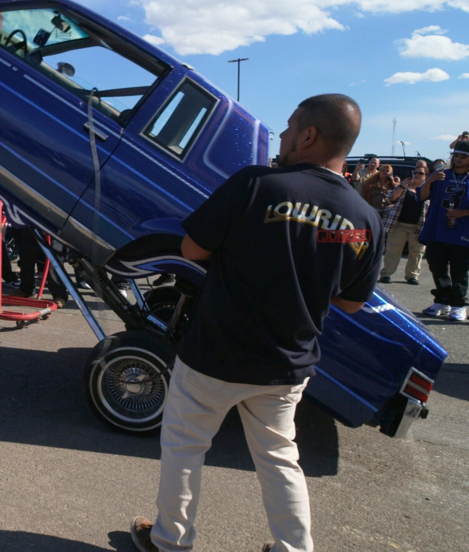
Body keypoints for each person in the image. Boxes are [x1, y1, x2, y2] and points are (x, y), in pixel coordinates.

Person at [131, 94, 381, 552]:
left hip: (215, 354)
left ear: (309, 135)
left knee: (185, 447)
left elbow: (190, 250)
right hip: (287, 363)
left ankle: (170, 543)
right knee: (280, 457)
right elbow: (350, 304)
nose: (281, 136)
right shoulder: (365, 218)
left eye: (288, 127)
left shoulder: (255, 184)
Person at [418, 140, 469, 321]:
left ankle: (458, 304)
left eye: (462, 156)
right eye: (455, 155)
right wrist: (429, 180)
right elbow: (421, 196)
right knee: (437, 267)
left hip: (461, 231)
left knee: (459, 270)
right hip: (436, 228)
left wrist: (462, 212)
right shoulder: (440, 175)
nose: (457, 159)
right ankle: (442, 300)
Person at [378, 164, 429, 285]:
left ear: (426, 176)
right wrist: (402, 185)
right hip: (399, 224)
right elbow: (391, 198)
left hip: (419, 226)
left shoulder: (429, 190)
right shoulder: (405, 187)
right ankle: (386, 274)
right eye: (415, 172)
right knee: (393, 250)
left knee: (417, 252)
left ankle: (412, 276)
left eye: (420, 173)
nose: (417, 175)